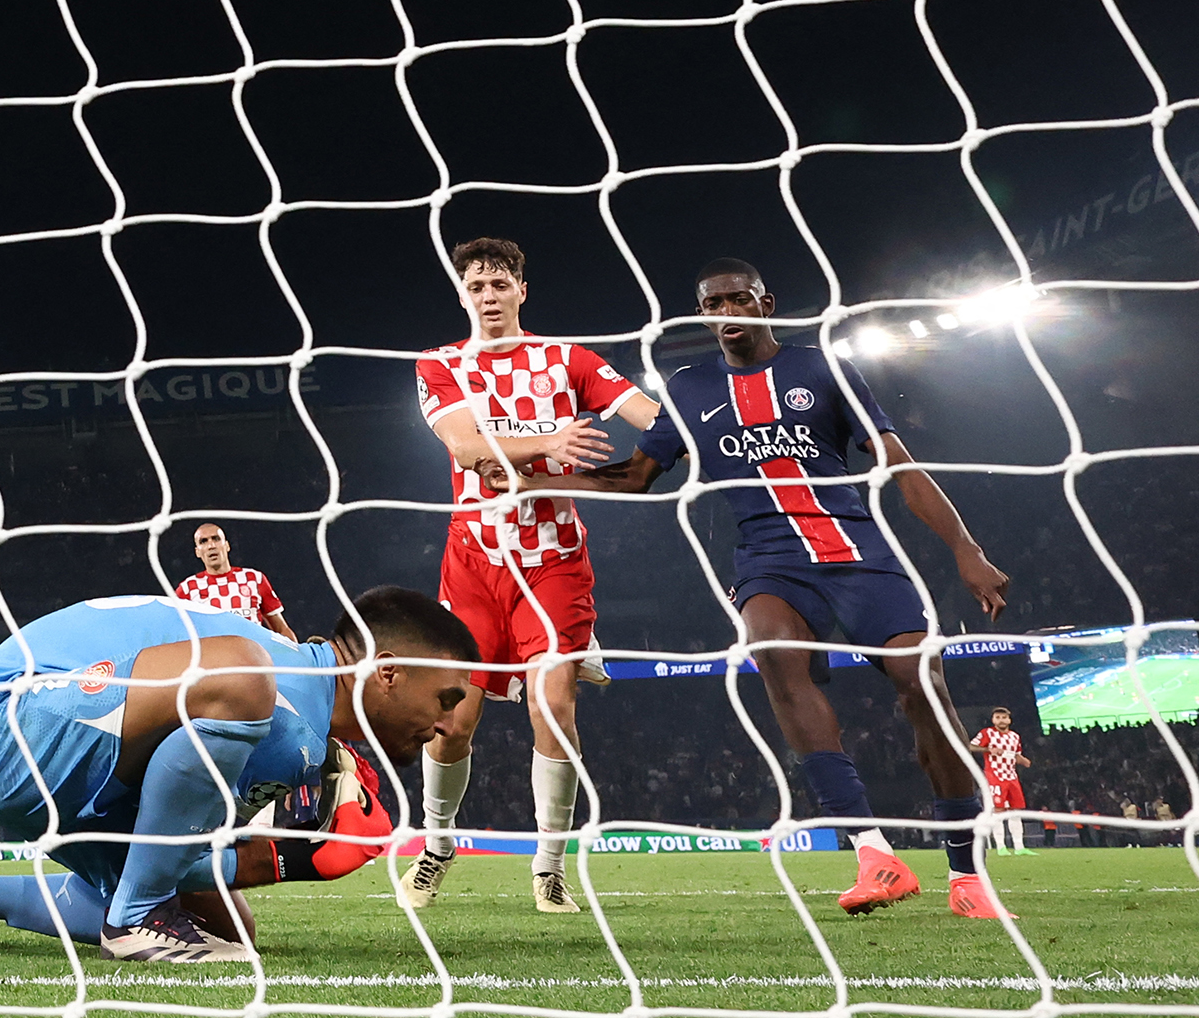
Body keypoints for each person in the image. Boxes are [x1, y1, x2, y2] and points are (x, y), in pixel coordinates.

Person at [491, 258, 1013, 920]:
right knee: (771, 651)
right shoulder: (689, 387)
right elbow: (633, 477)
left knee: (926, 690)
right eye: (714, 305)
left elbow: (898, 464)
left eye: (739, 300)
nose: (727, 314)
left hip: (858, 554)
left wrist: (966, 548)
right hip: (770, 561)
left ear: (767, 304)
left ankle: (966, 875)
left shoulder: (822, 369)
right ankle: (873, 853)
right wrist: (538, 482)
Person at [0, 588, 473, 962]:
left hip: (55, 756)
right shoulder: (280, 696)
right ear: (388, 672)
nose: (450, 726)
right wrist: (287, 854)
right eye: (446, 699)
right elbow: (180, 838)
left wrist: (286, 861)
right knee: (243, 678)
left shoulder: (297, 708)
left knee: (229, 931)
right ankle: (135, 917)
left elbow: (175, 849)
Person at [403, 237, 660, 915]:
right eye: (475, 286)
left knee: (555, 708)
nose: (486, 296)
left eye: (498, 284)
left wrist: (640, 461)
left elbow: (650, 418)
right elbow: (463, 445)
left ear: (522, 289)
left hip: (554, 563)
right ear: (462, 295)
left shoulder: (567, 360)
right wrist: (547, 444)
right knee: (451, 722)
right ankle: (435, 848)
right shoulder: (440, 364)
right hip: (474, 562)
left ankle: (549, 869)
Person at [174, 524, 296, 642]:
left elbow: (280, 628)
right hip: (214, 660)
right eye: (203, 541)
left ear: (227, 546)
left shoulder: (254, 578)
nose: (211, 545)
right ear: (198, 552)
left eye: (216, 539)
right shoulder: (187, 589)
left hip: (255, 658)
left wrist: (301, 657)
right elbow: (173, 633)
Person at [968, 707, 1033, 856]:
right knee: (998, 810)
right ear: (993, 720)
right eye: (998, 717)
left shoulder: (1015, 736)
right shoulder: (987, 733)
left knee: (1016, 811)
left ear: (1009, 720)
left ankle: (1019, 846)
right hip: (995, 775)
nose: (1001, 720)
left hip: (1012, 776)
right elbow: (970, 746)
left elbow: (1015, 755)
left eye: (1004, 717)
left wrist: (1023, 761)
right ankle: (1001, 846)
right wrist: (988, 750)